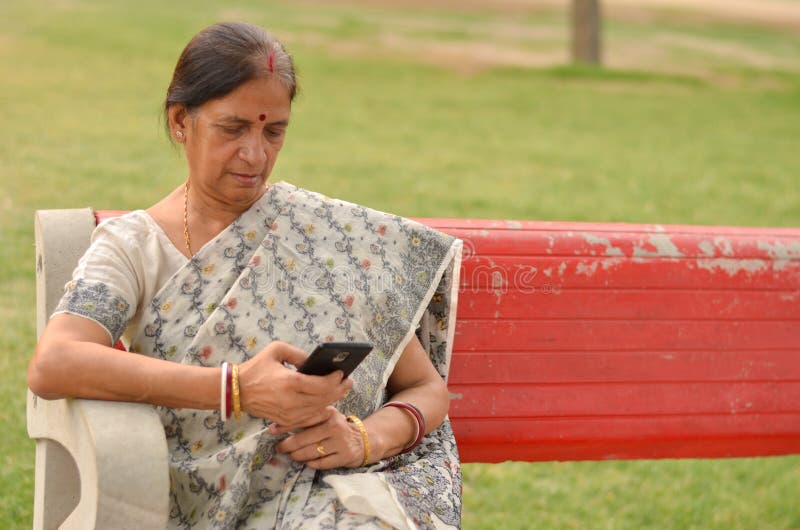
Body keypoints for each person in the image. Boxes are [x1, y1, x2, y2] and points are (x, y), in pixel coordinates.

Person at [27, 21, 463, 530]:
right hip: (211, 506)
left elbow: (426, 389)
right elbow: (55, 363)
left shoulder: (330, 239)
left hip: (348, 490)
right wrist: (236, 389)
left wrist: (364, 439)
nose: (255, 154)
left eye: (273, 131)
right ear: (180, 122)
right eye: (233, 129)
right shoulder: (134, 247)